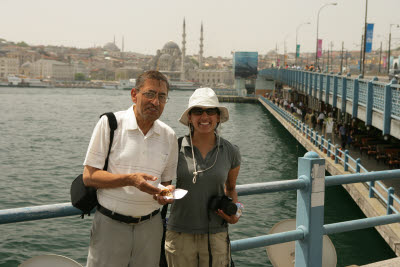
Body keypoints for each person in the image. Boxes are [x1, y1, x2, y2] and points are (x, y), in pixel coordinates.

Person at [82, 70, 178, 267]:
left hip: (151, 228)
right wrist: (130, 180)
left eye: (162, 96)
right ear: (134, 94)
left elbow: (167, 184)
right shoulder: (110, 124)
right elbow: (89, 176)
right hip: (110, 225)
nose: (155, 102)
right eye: (150, 94)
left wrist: (166, 195)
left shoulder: (169, 135)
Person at [165, 88, 242, 267]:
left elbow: (231, 189)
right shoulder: (175, 148)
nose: (204, 117)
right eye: (198, 111)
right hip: (179, 234)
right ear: (190, 117)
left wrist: (236, 212)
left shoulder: (231, 151)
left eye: (210, 111)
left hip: (216, 234)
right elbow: (165, 186)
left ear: (218, 117)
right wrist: (163, 194)